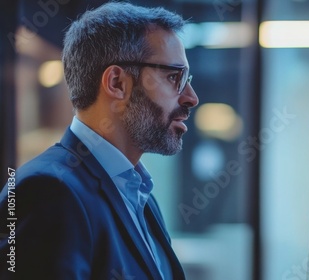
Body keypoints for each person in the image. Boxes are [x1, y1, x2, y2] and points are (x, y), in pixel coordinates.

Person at [0, 2, 198, 279]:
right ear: (117, 83)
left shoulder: (140, 194)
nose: (191, 97)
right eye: (174, 77)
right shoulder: (48, 190)